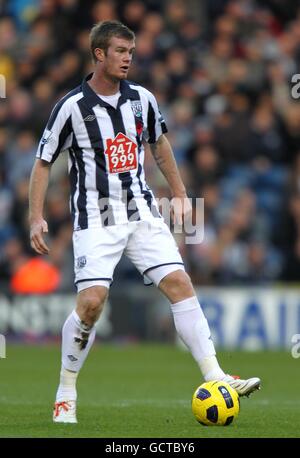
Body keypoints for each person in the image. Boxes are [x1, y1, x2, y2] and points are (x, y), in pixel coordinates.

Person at [29, 20, 260, 424]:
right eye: (120, 51)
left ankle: (217, 375)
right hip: (96, 217)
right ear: (99, 54)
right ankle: (66, 389)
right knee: (91, 303)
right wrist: (36, 217)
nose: (128, 59)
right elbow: (43, 162)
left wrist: (181, 193)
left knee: (180, 283)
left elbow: (160, 144)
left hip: (141, 211)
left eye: (131, 52)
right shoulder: (72, 107)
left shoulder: (142, 99)